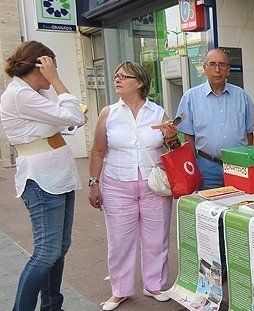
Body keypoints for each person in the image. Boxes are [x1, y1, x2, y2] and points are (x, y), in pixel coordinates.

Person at [1, 41, 86, 311]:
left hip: (57, 177)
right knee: (46, 252)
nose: (53, 74)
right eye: (50, 68)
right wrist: (57, 80)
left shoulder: (33, 94)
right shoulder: (20, 94)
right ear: (39, 66)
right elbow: (75, 116)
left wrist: (62, 118)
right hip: (42, 180)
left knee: (58, 248)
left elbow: (66, 122)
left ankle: (52, 306)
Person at [87, 62, 180, 310]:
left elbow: (174, 149)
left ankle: (154, 285)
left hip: (154, 185)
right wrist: (93, 183)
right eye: (116, 75)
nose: (117, 79)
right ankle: (120, 290)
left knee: (156, 238)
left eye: (123, 76)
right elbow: (97, 150)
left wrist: (171, 136)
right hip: (117, 184)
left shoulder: (158, 112)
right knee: (119, 240)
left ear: (139, 83)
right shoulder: (108, 113)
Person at [176, 48, 254, 189]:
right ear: (204, 69)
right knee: (209, 208)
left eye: (222, 64)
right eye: (212, 64)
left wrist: (245, 160)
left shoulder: (242, 96)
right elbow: (188, 136)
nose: (217, 69)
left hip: (239, 166)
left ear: (228, 69)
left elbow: (251, 133)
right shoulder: (190, 97)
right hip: (206, 168)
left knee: (239, 207)